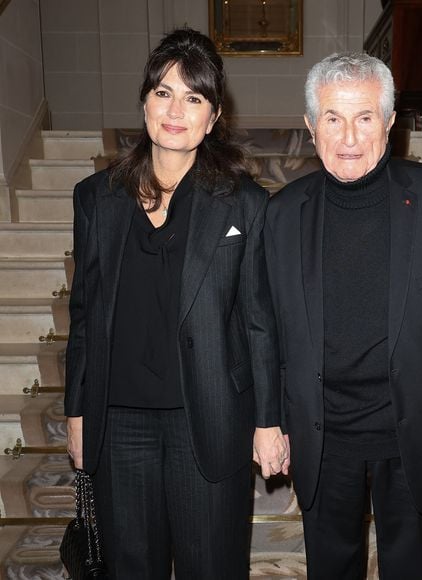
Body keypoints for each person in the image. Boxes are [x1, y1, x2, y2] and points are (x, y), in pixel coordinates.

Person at [264, 52, 422, 579]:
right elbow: (268, 331)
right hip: (323, 434)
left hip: (414, 426)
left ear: (391, 123)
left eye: (365, 117)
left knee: (411, 567)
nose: (349, 136)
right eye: (332, 118)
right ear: (310, 126)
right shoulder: (280, 215)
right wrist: (269, 422)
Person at [65, 28, 288, 580]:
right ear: (144, 102)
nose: (175, 110)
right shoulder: (97, 198)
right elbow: (85, 314)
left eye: (193, 97)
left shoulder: (245, 203)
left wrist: (268, 421)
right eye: (163, 92)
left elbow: (260, 320)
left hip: (208, 419)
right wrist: (76, 411)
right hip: (118, 422)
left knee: (210, 566)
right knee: (130, 566)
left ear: (212, 118)